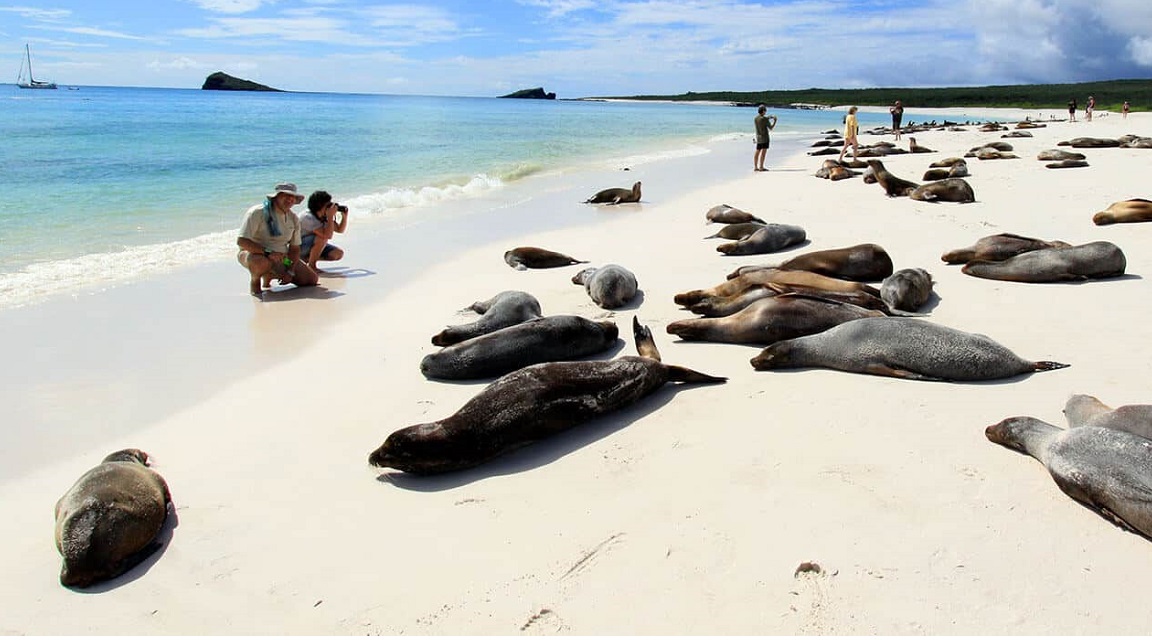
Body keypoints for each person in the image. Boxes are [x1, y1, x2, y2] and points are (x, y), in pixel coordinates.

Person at [236, 182, 319, 297]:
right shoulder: (257, 212)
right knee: (260, 262)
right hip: (255, 255)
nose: (290, 199)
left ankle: (270, 274)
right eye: (285, 195)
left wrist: (290, 270)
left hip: (282, 258)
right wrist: (268, 252)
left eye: (293, 197)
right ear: (276, 197)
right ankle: (255, 281)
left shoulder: (293, 218)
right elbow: (242, 241)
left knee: (311, 279)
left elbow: (295, 249)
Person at [300, 190, 349, 270]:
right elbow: (327, 235)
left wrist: (344, 217)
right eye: (328, 205)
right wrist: (330, 217)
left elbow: (340, 230)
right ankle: (312, 266)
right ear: (319, 205)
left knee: (338, 253)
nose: (330, 207)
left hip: (311, 246)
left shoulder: (323, 216)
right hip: (298, 248)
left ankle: (306, 259)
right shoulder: (307, 217)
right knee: (322, 237)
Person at [753, 105, 777, 172]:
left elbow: (762, 119)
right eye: (765, 110)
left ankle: (755, 167)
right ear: (763, 111)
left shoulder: (756, 118)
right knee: (763, 153)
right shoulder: (764, 119)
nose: (766, 112)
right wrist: (775, 121)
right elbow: (771, 128)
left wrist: (769, 117)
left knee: (757, 151)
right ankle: (761, 167)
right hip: (765, 138)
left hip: (758, 138)